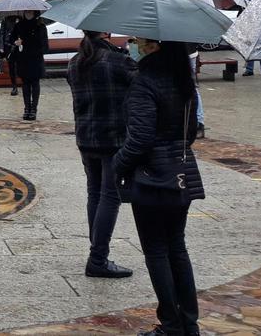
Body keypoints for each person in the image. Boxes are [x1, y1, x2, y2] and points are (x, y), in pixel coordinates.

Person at [115, 38, 204, 336]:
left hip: (153, 178)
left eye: (138, 41)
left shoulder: (145, 81)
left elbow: (140, 138)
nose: (134, 45)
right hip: (181, 172)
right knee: (177, 246)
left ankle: (170, 325)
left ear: (154, 46)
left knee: (156, 250)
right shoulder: (184, 79)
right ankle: (188, 323)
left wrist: (117, 165)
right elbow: (191, 132)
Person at [66, 31, 136, 279]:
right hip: (113, 138)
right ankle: (98, 258)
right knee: (110, 196)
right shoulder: (117, 61)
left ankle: (96, 253)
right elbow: (140, 84)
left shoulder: (75, 62)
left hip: (86, 137)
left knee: (94, 194)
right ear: (105, 32)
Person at [11, 11, 49, 121]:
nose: (28, 13)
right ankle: (27, 108)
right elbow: (11, 39)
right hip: (23, 58)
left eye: (30, 11)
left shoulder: (40, 26)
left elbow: (45, 46)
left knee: (35, 83)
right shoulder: (18, 25)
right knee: (25, 84)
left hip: (35, 59)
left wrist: (31, 45)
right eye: (26, 11)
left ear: (34, 12)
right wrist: (16, 42)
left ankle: (33, 109)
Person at [0, 15, 20, 96]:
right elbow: (1, 33)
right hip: (9, 46)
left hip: (19, 46)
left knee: (20, 66)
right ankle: (14, 87)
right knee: (11, 67)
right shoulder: (5, 19)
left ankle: (24, 83)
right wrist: (1, 46)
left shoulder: (21, 19)